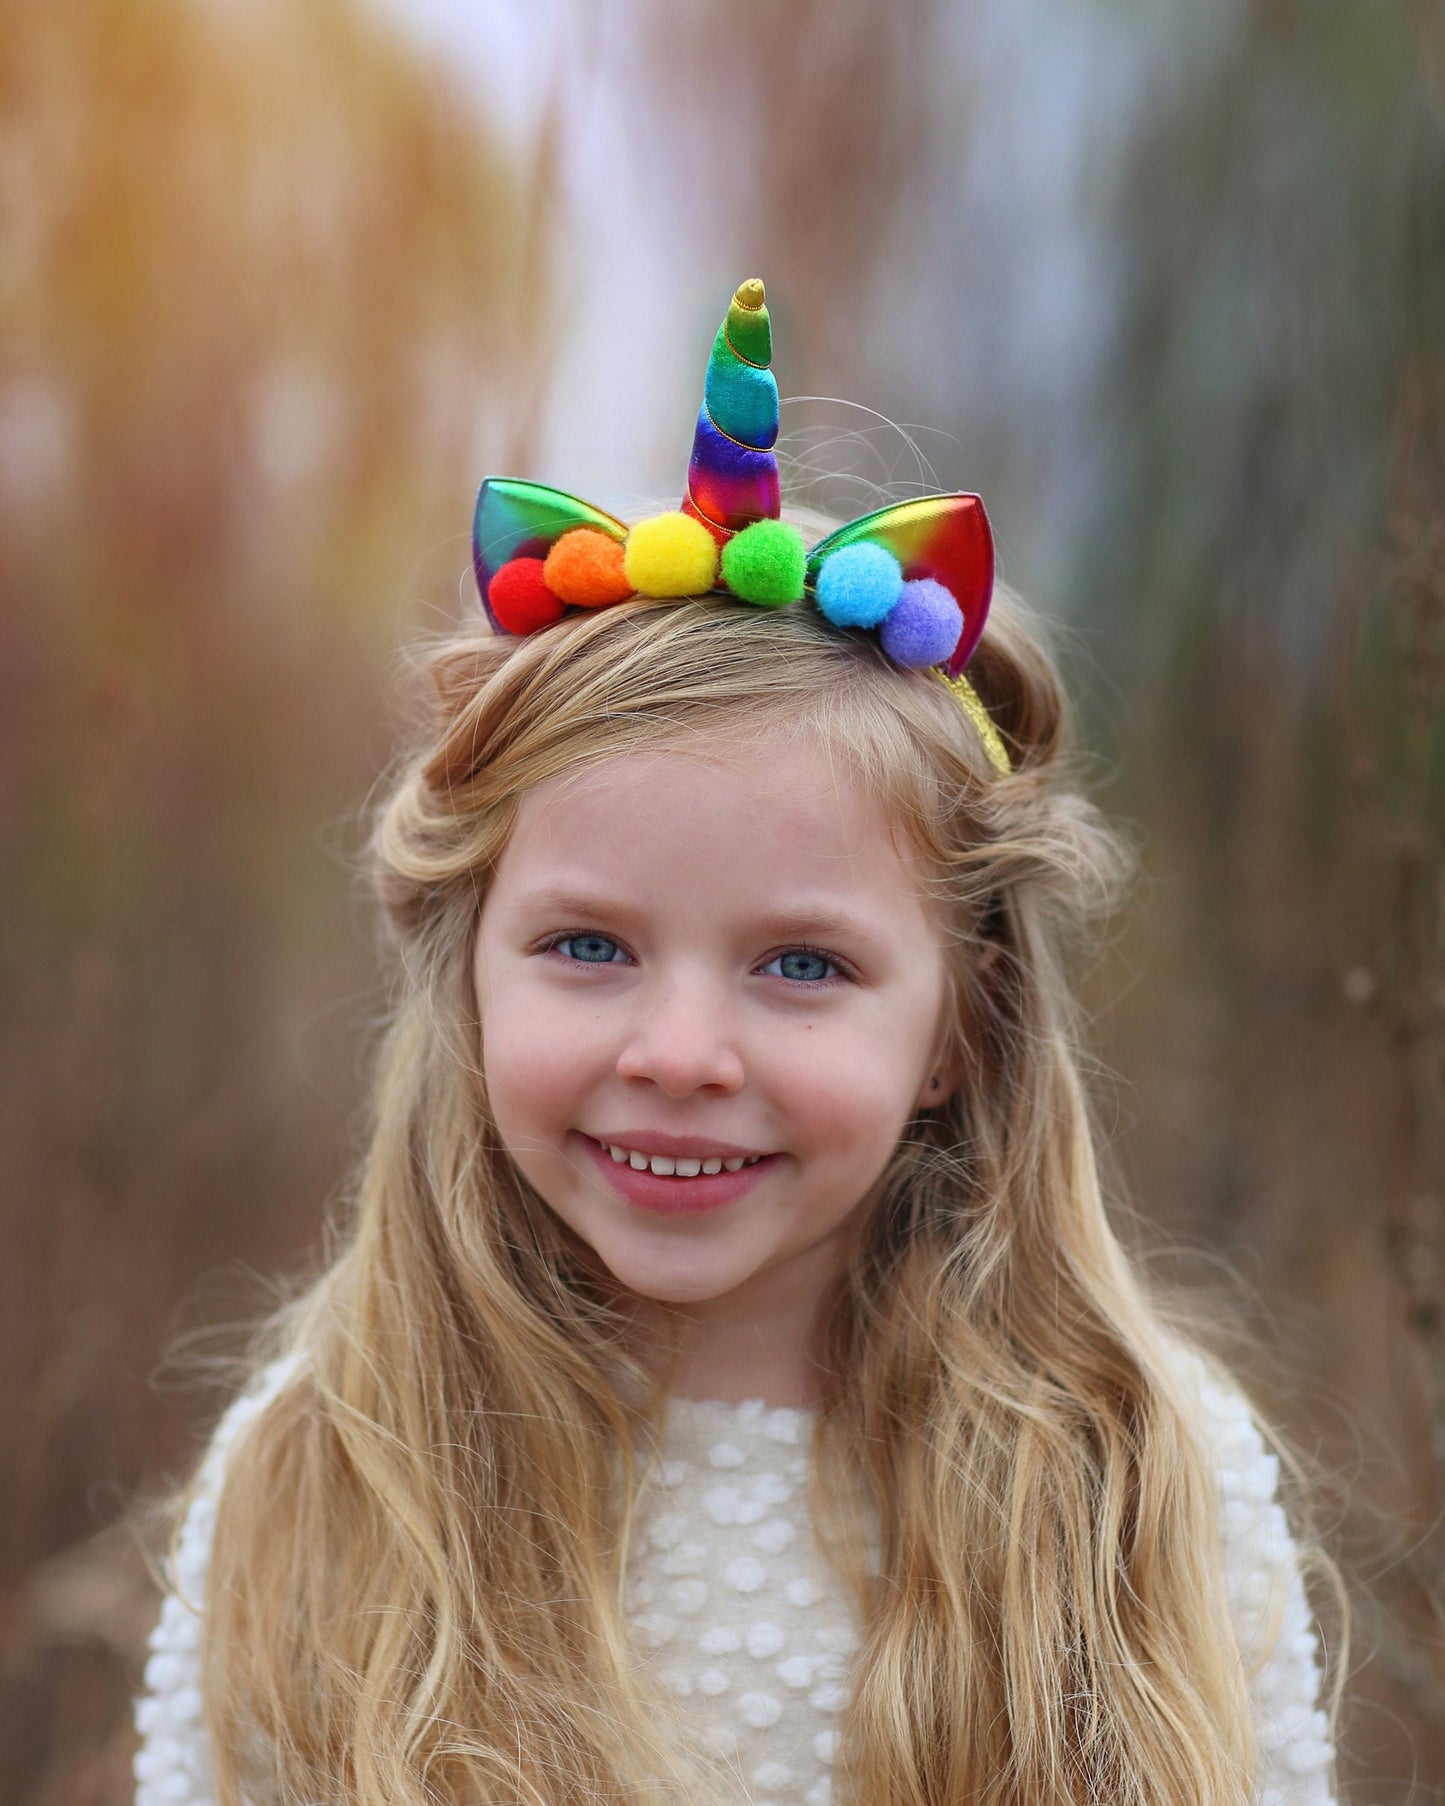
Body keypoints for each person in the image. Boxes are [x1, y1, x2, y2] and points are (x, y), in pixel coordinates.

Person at [133, 280, 1339, 1806]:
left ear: (959, 1023)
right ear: (471, 978)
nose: (683, 1050)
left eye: (799, 963)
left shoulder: (1136, 1480)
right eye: (588, 946)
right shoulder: (327, 1468)